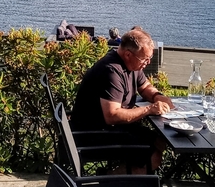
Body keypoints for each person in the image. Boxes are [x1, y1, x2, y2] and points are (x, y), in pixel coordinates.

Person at [71, 26, 173, 171]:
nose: (148, 62)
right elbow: (112, 115)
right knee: (153, 157)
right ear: (127, 54)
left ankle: (119, 177)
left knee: (159, 141)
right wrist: (150, 109)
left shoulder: (133, 66)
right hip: (93, 135)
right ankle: (109, 182)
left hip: (111, 129)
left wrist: (158, 96)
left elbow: (144, 87)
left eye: (150, 58)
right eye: (145, 58)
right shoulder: (111, 71)